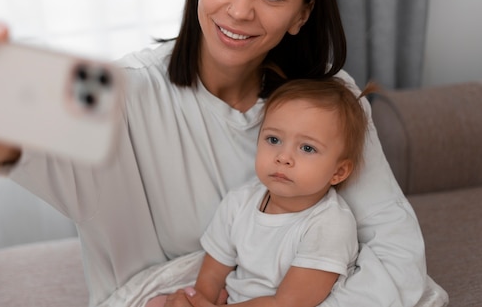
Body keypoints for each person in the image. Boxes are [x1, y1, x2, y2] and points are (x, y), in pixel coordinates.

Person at [0, 0, 432, 307]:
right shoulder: (128, 89)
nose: (240, 9)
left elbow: (394, 247)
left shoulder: (332, 98)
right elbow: (35, 138)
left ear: (300, 15)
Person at [158, 78, 370, 307]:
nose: (283, 157)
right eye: (274, 139)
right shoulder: (240, 202)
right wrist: (198, 299)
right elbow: (212, 274)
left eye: (307, 148)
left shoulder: (329, 225)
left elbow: (287, 303)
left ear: (338, 172)